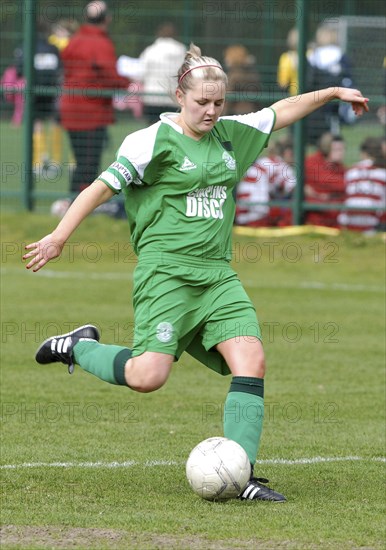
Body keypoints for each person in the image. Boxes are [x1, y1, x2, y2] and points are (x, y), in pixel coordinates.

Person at [23, 43, 369, 502]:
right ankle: (79, 346)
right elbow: (97, 189)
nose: (210, 111)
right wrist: (59, 237)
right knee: (148, 377)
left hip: (217, 277)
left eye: (218, 103)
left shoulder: (231, 134)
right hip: (165, 276)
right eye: (201, 102)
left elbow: (282, 110)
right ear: (178, 96)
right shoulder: (149, 142)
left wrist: (331, 92)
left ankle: (241, 474)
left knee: (252, 361)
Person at [59, 1, 130, 199]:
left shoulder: (75, 40)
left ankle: (72, 200)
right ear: (107, 19)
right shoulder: (101, 43)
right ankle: (80, 203)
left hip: (70, 107)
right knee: (89, 162)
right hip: (91, 111)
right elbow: (110, 74)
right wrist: (127, 82)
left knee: (82, 160)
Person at [14, 19, 61, 170]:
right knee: (55, 122)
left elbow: (19, 70)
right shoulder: (53, 48)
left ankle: (38, 163)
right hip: (52, 91)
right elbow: (60, 69)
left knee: (37, 123)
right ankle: (56, 162)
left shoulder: (27, 47)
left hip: (35, 91)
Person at [306, 25, 354, 145]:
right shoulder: (340, 55)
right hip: (335, 96)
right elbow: (348, 76)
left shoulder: (313, 55)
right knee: (333, 122)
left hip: (317, 95)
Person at [235, 137, 296, 227]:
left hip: (241, 211)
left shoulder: (263, 161)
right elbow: (295, 190)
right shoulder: (284, 167)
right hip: (257, 215)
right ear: (288, 153)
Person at [139, 22, 186, 124]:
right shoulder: (181, 50)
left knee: (153, 130)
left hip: (152, 98)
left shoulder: (150, 50)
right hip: (172, 98)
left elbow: (141, 74)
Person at [338, 137, 386, 233]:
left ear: (363, 153)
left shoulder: (351, 171)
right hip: (373, 226)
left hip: (348, 224)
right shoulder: (382, 173)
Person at [304, 133, 346, 227]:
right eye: (337, 149)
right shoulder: (312, 162)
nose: (341, 152)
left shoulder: (340, 167)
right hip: (315, 217)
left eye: (343, 149)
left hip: (334, 216)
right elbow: (330, 181)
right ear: (326, 148)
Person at [223, 44, 261, 115]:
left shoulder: (234, 75)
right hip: (253, 111)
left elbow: (229, 97)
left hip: (235, 113)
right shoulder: (253, 73)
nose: (226, 59)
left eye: (227, 56)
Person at [277, 27, 299, 96]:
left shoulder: (286, 58)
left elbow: (283, 83)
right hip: (310, 96)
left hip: (294, 96)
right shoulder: (312, 54)